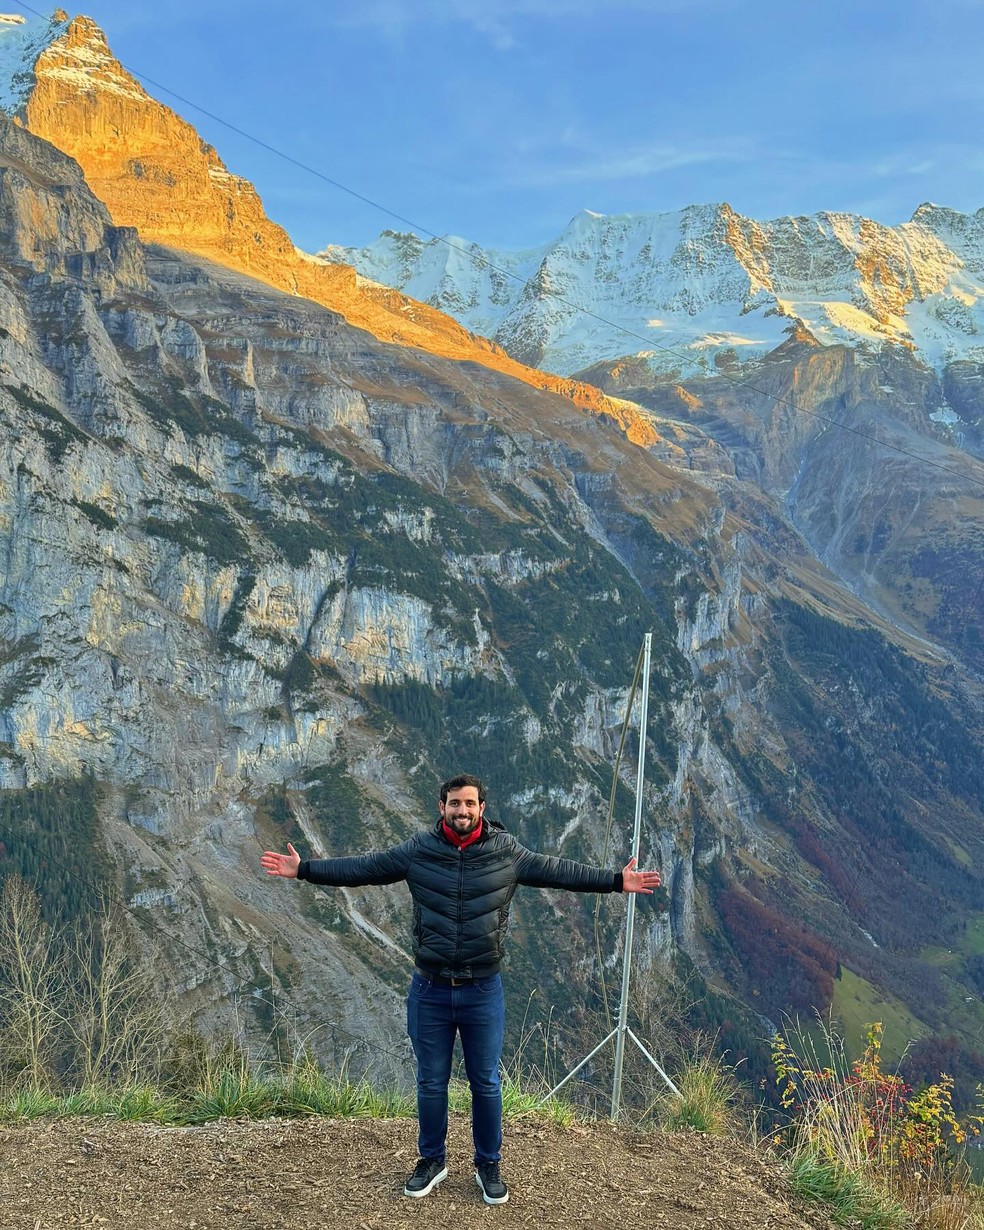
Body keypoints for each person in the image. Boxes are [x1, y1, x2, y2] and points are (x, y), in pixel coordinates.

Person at [260, 772, 661, 1206]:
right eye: (455, 804)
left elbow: (558, 871)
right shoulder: (419, 851)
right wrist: (303, 870)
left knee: (485, 1083)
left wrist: (617, 881)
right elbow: (364, 868)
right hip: (429, 989)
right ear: (442, 807)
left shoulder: (506, 853)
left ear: (482, 809)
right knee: (431, 1082)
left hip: (482, 989)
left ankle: (488, 1164)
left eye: (470, 804)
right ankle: (431, 1160)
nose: (462, 811)